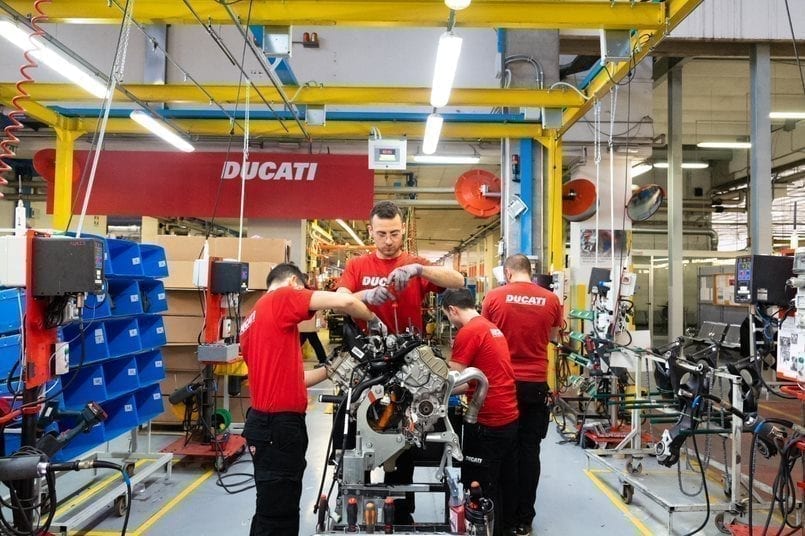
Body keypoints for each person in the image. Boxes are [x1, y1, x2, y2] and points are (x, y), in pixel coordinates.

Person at [337, 200, 464, 523]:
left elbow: (458, 282)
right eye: (382, 234)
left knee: (404, 436)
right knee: (358, 434)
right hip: (368, 364)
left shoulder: (413, 263)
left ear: (403, 230)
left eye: (394, 233)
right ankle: (358, 507)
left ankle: (401, 510)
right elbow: (339, 300)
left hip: (409, 369)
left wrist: (421, 270)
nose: (388, 240)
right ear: (371, 231)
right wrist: (364, 297)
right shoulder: (357, 266)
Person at [240, 263, 386, 535]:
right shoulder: (282, 296)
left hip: (267, 427)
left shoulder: (253, 319)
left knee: (272, 508)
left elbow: (293, 380)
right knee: (279, 517)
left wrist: (333, 368)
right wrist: (375, 322)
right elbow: (342, 300)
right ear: (295, 282)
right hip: (279, 429)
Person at [481, 254, 562, 536]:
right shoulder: (551, 300)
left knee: (503, 451)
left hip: (501, 384)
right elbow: (553, 337)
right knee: (530, 452)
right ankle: (524, 520)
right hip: (534, 385)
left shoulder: (493, 297)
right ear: (532, 271)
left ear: (507, 272)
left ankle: (501, 517)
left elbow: (484, 335)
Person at [441, 288, 519, 536]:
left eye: (447, 316)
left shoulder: (469, 331)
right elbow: (472, 381)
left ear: (453, 310)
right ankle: (503, 528)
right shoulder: (490, 327)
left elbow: (449, 380)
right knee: (501, 482)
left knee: (481, 487)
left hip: (489, 419)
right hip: (508, 414)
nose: (449, 321)